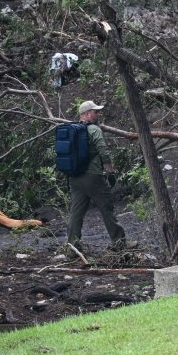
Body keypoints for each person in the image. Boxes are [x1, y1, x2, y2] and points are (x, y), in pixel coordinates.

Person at [66, 100, 128, 250]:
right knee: (107, 208)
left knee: (76, 213)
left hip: (74, 177)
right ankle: (119, 244)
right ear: (87, 114)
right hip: (93, 176)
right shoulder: (94, 129)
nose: (98, 114)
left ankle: (72, 248)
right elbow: (103, 150)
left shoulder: (71, 130)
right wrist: (110, 170)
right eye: (95, 111)